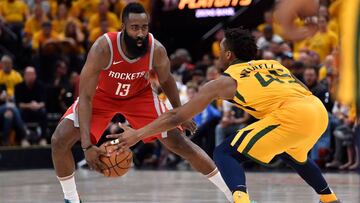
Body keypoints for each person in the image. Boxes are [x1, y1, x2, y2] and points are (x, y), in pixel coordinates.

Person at [109, 28, 341, 203]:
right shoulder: (274, 64)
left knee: (225, 152)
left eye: (220, 50)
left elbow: (176, 116)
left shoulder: (225, 82)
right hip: (317, 110)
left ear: (228, 55)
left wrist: (138, 134)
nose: (219, 54)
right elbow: (302, 88)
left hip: (292, 115)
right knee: (294, 155)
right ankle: (329, 198)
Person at [51, 3, 232, 203]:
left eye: (144, 27)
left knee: (180, 143)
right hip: (101, 96)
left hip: (139, 96)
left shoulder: (156, 49)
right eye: (134, 27)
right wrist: (87, 146)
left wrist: (181, 113)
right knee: (59, 140)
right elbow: (85, 96)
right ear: (123, 27)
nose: (140, 33)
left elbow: (167, 80)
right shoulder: (103, 48)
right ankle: (71, 199)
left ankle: (234, 196)